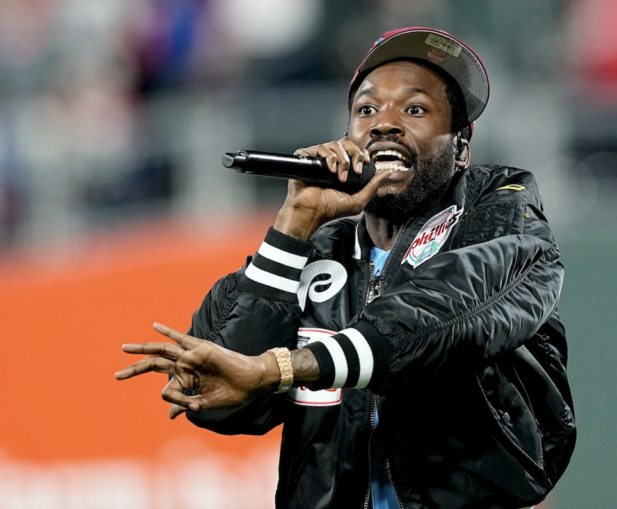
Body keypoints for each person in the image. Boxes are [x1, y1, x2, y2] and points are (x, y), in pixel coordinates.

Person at [116, 27, 576, 509]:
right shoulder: (316, 253)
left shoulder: (503, 215)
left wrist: (284, 368)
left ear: (461, 145)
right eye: (366, 110)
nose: (384, 124)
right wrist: (293, 225)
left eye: (415, 109)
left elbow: (436, 314)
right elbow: (224, 398)